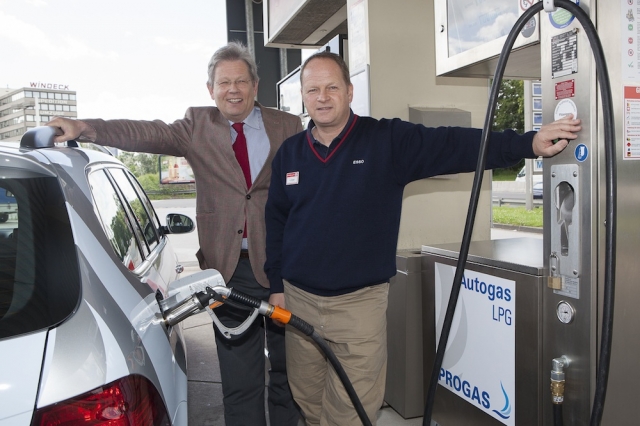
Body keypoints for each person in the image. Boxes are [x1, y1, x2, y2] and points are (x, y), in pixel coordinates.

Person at [264, 51, 581, 426]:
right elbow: (276, 220)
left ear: (349, 91)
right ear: (303, 96)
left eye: (332, 87)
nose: (322, 96)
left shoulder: (386, 141)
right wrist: (275, 284)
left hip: (358, 306)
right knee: (309, 401)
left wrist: (527, 144)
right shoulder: (290, 154)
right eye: (313, 89)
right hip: (298, 300)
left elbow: (453, 144)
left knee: (350, 411)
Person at [47, 41, 302, 426]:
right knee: (240, 380)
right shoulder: (196, 125)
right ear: (210, 90)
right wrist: (86, 128)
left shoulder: (287, 125)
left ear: (255, 85)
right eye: (223, 83)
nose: (233, 90)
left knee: (289, 375)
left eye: (241, 81)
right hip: (230, 272)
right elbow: (146, 132)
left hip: (284, 265)